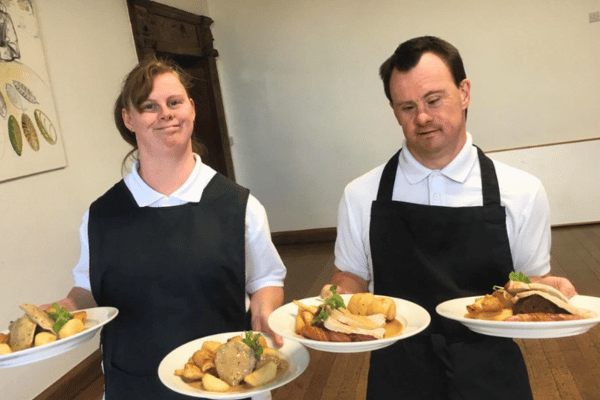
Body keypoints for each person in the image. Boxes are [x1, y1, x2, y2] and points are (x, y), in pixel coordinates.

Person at [324, 36, 577, 400]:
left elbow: (528, 281)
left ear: (464, 93)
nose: (423, 117)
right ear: (394, 111)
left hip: (491, 370)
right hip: (398, 371)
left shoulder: (522, 191)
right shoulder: (361, 194)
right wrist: (333, 299)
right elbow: (350, 276)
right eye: (407, 107)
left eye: (433, 100)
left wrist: (549, 291)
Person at [48, 57, 286, 400]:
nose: (166, 113)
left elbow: (266, 279)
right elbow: (87, 290)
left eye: (174, 102)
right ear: (128, 118)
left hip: (225, 385)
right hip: (133, 384)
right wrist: (62, 311)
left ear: (191, 107)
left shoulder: (239, 205)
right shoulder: (102, 214)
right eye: (149, 106)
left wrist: (264, 311)